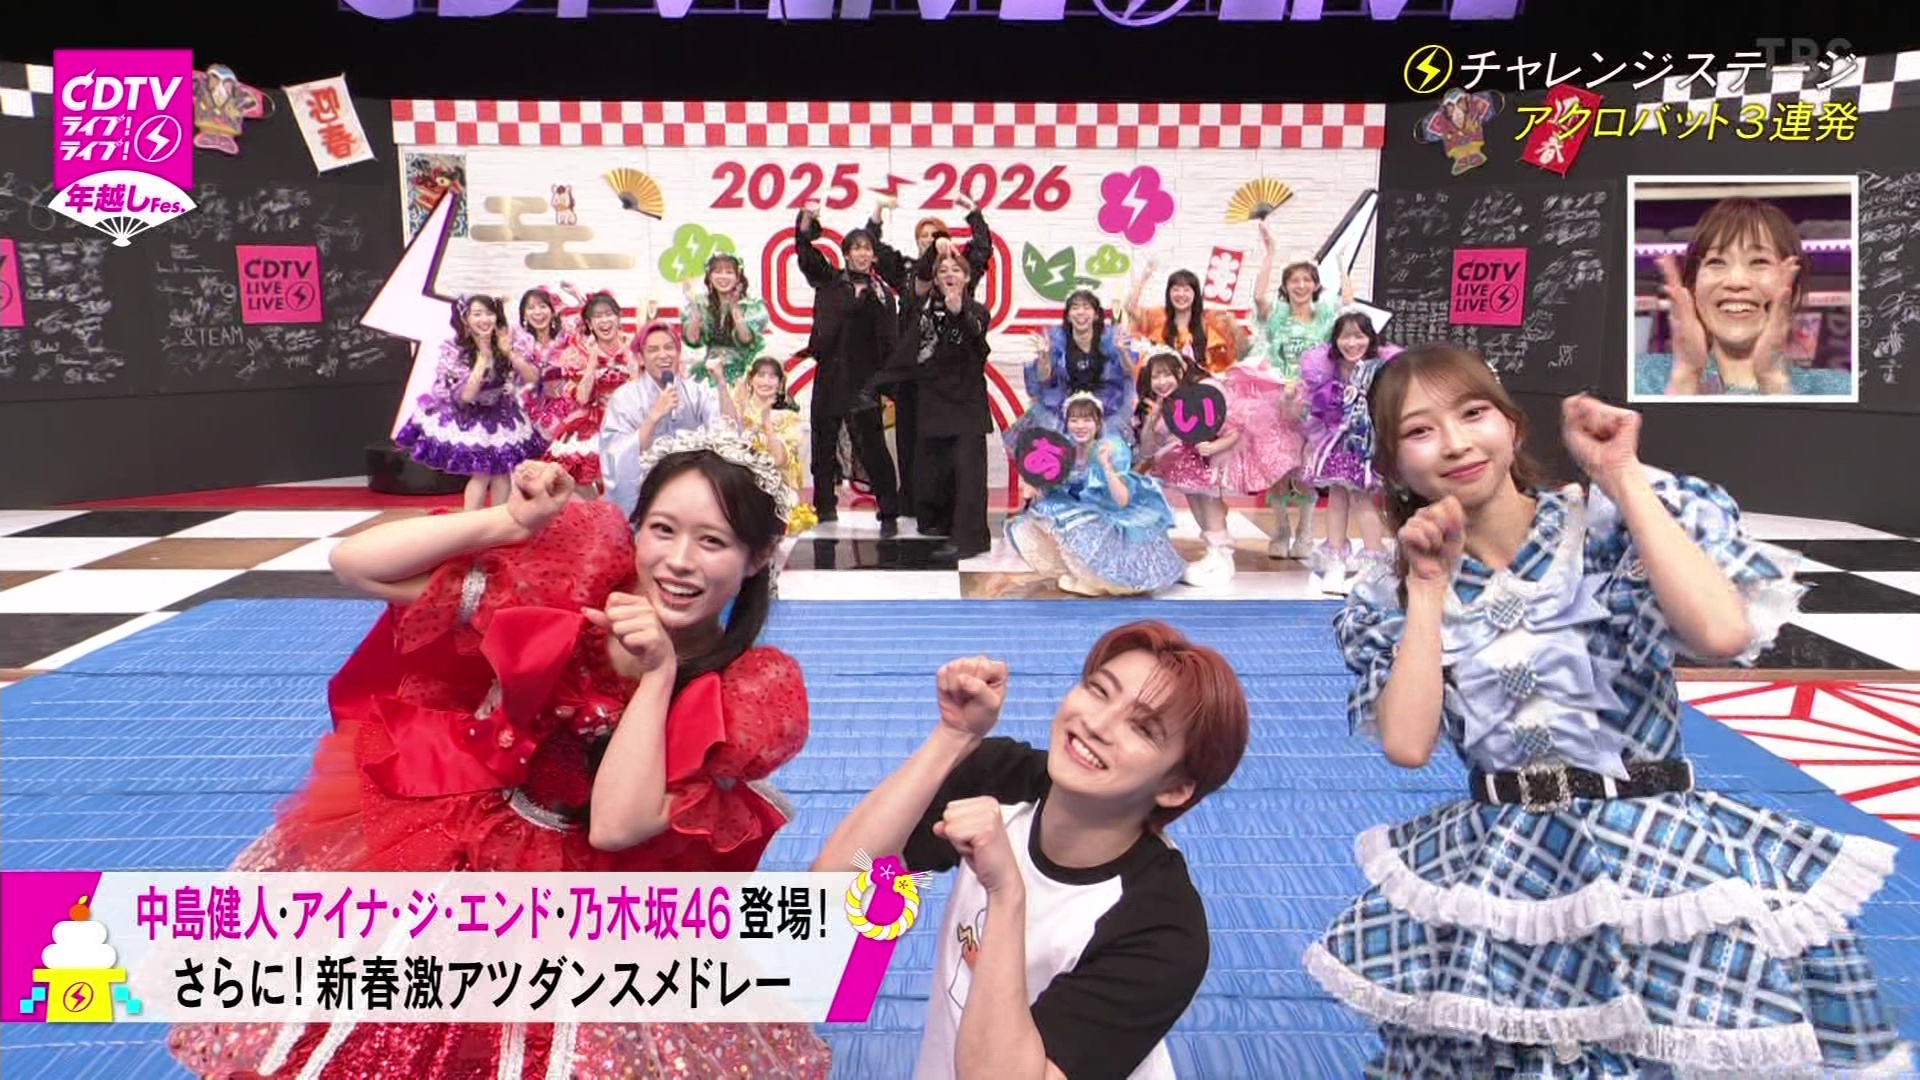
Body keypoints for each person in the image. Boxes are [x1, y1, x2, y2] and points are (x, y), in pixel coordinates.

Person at [1305, 344, 1908, 1077]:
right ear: (1394, 466)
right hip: (1513, 869)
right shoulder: (1388, 593)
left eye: (1473, 413)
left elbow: (1721, 633)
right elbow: (1408, 744)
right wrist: (1427, 591)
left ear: (1513, 425)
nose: (1456, 443)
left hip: (1660, 857)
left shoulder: (1604, 526)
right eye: (1420, 430)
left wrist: (1621, 474)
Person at [168, 427, 828, 1078]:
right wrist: (509, 522)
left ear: (757, 557)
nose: (679, 561)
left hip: (592, 905)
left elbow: (615, 826)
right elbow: (357, 564)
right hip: (455, 841)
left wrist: (658, 674)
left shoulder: (746, 693)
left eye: (712, 541)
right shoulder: (576, 583)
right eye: (662, 529)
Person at [812, 620, 1250, 1080]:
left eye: (1142, 728)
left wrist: (1006, 893)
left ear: (1176, 788)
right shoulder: (1003, 778)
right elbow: (835, 883)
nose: (1097, 724)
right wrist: (954, 735)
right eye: (1099, 690)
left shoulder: (1164, 931)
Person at [1636, 196, 1853, 397]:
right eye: (1717, 262)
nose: (1736, 281)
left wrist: (1774, 382)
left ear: (1794, 291)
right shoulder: (1640, 378)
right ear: (1692, 288)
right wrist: (1686, 377)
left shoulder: (1839, 390)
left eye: (1759, 262)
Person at [1007, 393, 1186, 596]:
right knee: (1041, 513)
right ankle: (1075, 571)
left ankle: (1095, 578)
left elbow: (1122, 501)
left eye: (1087, 420)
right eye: (1074, 420)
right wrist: (1034, 484)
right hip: (1081, 506)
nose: (1080, 426)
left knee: (1079, 523)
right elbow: (1052, 487)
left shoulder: (1110, 448)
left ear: (1098, 423)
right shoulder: (1064, 448)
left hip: (1110, 513)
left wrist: (1107, 466)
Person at [795, 203, 904, 536]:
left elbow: (890, 342)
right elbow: (805, 255)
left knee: (872, 444)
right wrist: (807, 219)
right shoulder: (830, 281)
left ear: (873, 255)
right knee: (824, 441)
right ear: (845, 254)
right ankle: (825, 506)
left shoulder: (883, 295)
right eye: (855, 248)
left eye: (866, 248)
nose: (862, 253)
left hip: (864, 381)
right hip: (831, 375)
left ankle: (889, 507)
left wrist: (884, 382)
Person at [1250, 230, 1354, 560]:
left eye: (1306, 280)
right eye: (1294, 280)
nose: (1300, 285)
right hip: (1279, 401)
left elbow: (1348, 303)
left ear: (1315, 285)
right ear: (1286, 286)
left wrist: (1342, 265)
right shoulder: (1277, 320)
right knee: (1280, 465)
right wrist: (1270, 252)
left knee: (1306, 467)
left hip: (1314, 403)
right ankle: (1281, 528)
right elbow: (1259, 297)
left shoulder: (1324, 320)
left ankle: (1305, 530)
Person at [394, 294, 547, 511]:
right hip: (470, 414)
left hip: (502, 412)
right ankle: (471, 521)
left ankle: (497, 522)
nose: (484, 319)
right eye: (477, 314)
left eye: (489, 313)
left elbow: (532, 377)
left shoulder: (507, 338)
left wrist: (509, 353)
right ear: (465, 319)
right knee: (482, 473)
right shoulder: (455, 349)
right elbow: (465, 396)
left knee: (502, 472)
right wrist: (482, 359)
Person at [1298, 311, 1399, 589]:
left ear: (1371, 338)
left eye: (1359, 336)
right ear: (1335, 339)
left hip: (1364, 444)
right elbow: (1319, 410)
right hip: (1335, 444)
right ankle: (1335, 560)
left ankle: (1373, 561)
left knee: (1361, 498)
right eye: (1345, 337)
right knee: (1336, 496)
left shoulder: (1380, 368)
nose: (1352, 343)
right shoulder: (1327, 369)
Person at [599, 320, 739, 519]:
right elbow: (616, 455)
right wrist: (654, 416)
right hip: (644, 492)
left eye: (669, 347)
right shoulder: (624, 398)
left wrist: (721, 385)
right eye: (653, 350)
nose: (663, 355)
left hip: (691, 490)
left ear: (678, 353)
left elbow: (729, 432)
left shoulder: (696, 390)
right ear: (640, 358)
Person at [908, 248, 995, 560]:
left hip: (967, 404)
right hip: (934, 401)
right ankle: (942, 524)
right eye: (943, 270)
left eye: (956, 270)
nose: (949, 274)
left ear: (967, 277)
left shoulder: (977, 311)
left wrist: (958, 313)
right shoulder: (925, 311)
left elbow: (974, 344)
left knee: (968, 473)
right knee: (938, 470)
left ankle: (971, 539)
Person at [1003, 289, 1135, 450]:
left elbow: (1129, 372)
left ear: (1096, 315)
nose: (1080, 312)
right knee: (1055, 455)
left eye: (1086, 307)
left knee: (1106, 455)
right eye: (1075, 307)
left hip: (1104, 408)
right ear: (1068, 316)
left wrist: (1122, 351)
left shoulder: (1110, 339)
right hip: (1061, 408)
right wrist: (1044, 356)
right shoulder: (1056, 339)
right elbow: (1043, 378)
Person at [543, 290, 637, 493]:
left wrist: (629, 358)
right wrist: (592, 362)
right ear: (589, 323)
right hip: (594, 419)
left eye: (609, 314)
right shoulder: (579, 352)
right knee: (577, 474)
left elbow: (642, 391)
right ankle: (597, 508)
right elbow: (582, 398)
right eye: (597, 316)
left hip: (629, 419)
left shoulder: (634, 346)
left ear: (618, 318)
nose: (604, 321)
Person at [735, 355, 816, 534]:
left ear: (780, 385)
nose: (766, 381)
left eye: (772, 377)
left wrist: (766, 421)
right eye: (761, 375)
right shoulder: (738, 413)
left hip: (775, 495)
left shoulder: (789, 418)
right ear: (751, 380)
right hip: (740, 490)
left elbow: (778, 460)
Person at [681, 251, 771, 390]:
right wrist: (694, 305)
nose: (723, 277)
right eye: (717, 272)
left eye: (729, 272)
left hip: (739, 376)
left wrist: (735, 309)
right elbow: (693, 340)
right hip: (709, 373)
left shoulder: (750, 306)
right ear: (709, 277)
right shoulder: (704, 304)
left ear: (738, 277)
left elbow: (746, 339)